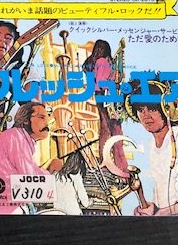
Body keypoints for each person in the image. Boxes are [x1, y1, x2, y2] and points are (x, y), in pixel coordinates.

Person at [0, 102, 62, 214]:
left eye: (47, 119)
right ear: (25, 120)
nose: (46, 123)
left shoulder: (20, 138)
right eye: (41, 118)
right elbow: (29, 177)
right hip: (5, 209)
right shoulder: (16, 137)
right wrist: (51, 169)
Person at [0, 21, 40, 143]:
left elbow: (37, 109)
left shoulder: (26, 71)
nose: (2, 40)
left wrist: (8, 82)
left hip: (15, 143)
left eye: (8, 38)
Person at [131, 83, 178, 216]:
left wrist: (162, 213)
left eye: (152, 109)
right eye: (141, 110)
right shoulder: (152, 144)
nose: (146, 116)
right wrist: (151, 208)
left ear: (165, 109)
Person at [82, 39, 127, 174]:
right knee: (112, 130)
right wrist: (115, 84)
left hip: (101, 97)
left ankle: (104, 162)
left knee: (105, 130)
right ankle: (115, 163)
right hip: (106, 97)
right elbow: (101, 83)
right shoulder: (102, 61)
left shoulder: (97, 62)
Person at [53, 150, 91, 215]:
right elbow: (85, 203)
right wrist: (92, 201)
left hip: (58, 213)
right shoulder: (76, 177)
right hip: (73, 214)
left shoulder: (56, 175)